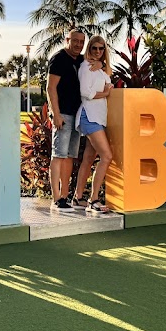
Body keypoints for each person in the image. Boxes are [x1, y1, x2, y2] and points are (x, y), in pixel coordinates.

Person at [72, 35, 114, 214]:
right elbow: (85, 93)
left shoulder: (99, 69)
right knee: (106, 156)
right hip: (89, 117)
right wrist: (105, 94)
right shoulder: (86, 67)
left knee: (89, 158)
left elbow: (109, 77)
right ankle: (94, 199)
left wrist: (103, 65)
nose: (97, 51)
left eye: (101, 48)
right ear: (89, 48)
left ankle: (78, 197)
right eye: (94, 48)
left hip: (99, 117)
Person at [46, 28, 85, 209]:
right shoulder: (59, 59)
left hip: (77, 116)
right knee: (59, 155)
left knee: (70, 156)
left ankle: (65, 195)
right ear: (67, 40)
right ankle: (56, 197)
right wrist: (56, 113)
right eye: (75, 41)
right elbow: (50, 88)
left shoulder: (82, 60)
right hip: (63, 115)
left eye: (81, 42)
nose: (78, 44)